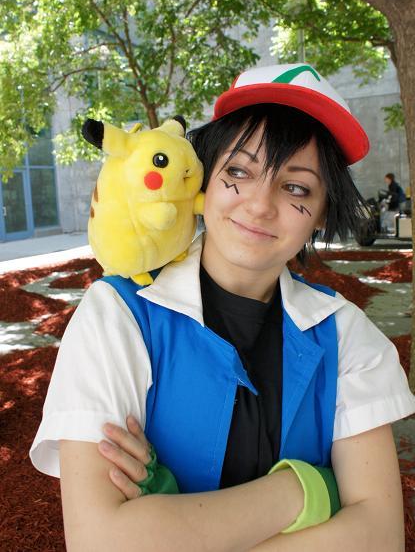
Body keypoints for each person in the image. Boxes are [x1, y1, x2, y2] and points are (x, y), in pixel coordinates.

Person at [30, 63, 415, 551]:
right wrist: (304, 490)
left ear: (321, 213)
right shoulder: (117, 315)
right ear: (203, 180)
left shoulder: (347, 336)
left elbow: (379, 537)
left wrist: (165, 531)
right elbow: (99, 540)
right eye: (238, 171)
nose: (259, 204)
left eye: (296, 187)